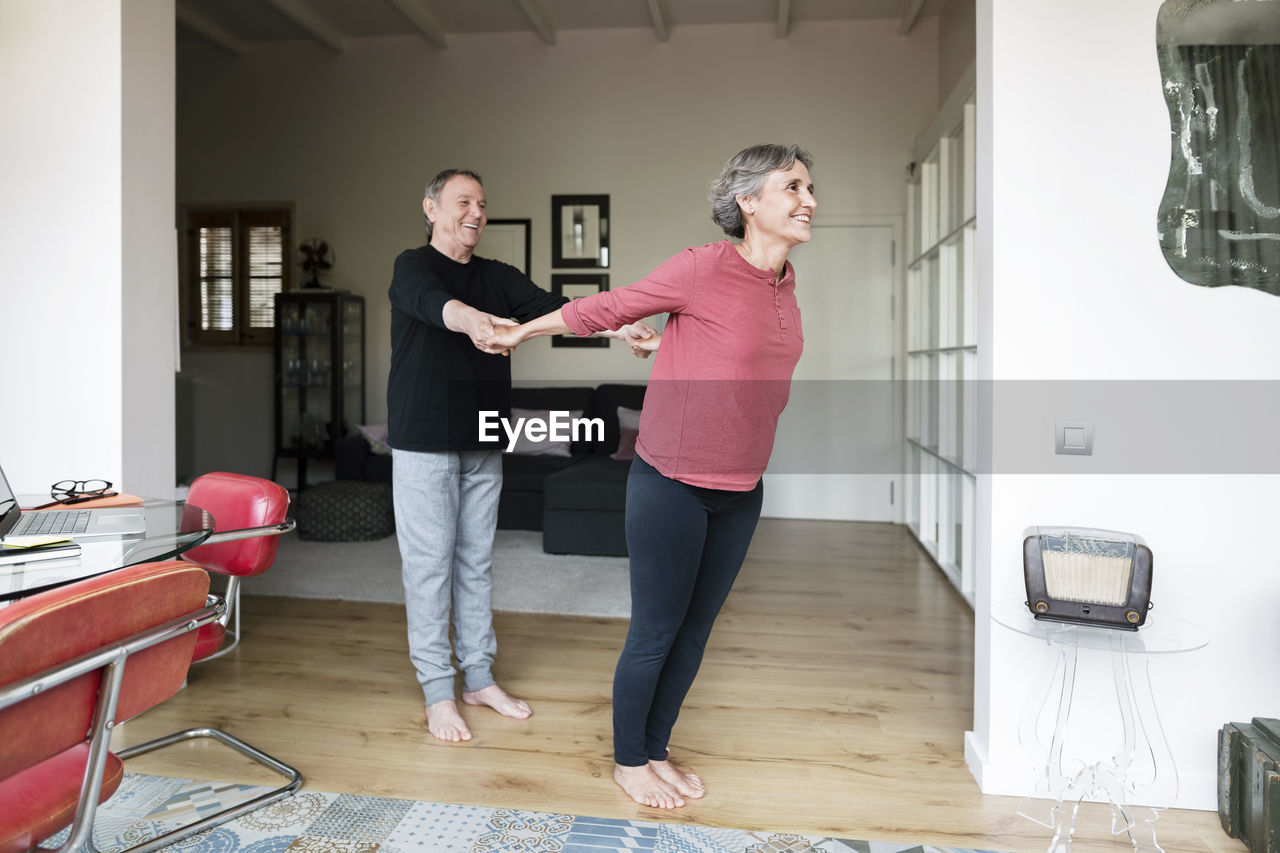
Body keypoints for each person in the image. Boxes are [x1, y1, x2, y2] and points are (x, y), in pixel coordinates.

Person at [485, 143, 817, 807]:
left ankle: (656, 746)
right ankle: (629, 760)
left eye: (811, 188)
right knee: (657, 629)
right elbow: (610, 306)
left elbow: (736, 355)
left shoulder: (784, 285)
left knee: (696, 632)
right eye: (793, 187)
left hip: (742, 489)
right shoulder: (701, 266)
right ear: (749, 202)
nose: (809, 200)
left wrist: (669, 344)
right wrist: (522, 332)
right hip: (673, 484)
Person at [387, 168, 654, 743]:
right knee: (430, 567)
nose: (475, 212)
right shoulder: (413, 267)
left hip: (484, 433)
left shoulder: (498, 276)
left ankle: (479, 678)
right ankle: (438, 690)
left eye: (482, 203)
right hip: (424, 438)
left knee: (476, 560)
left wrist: (623, 326)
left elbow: (562, 310)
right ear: (431, 208)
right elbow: (434, 305)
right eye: (463, 202)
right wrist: (473, 321)